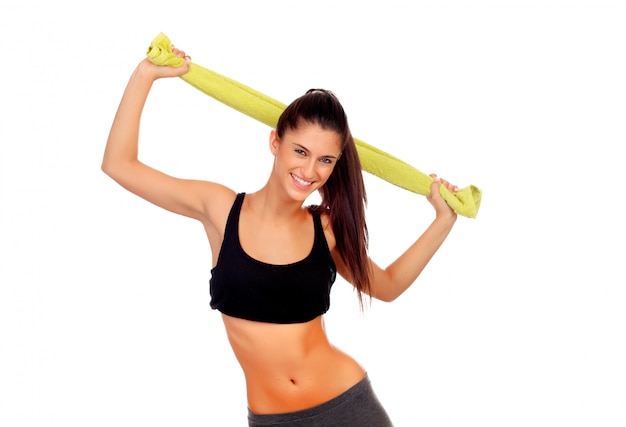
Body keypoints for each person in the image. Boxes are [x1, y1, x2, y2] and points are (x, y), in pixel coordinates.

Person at [102, 46, 458, 426]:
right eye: (300, 151)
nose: (309, 170)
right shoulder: (220, 209)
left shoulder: (325, 228)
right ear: (276, 142)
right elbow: (118, 165)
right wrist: (145, 74)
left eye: (325, 160)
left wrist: (443, 220)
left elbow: (386, 286)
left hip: (348, 406)